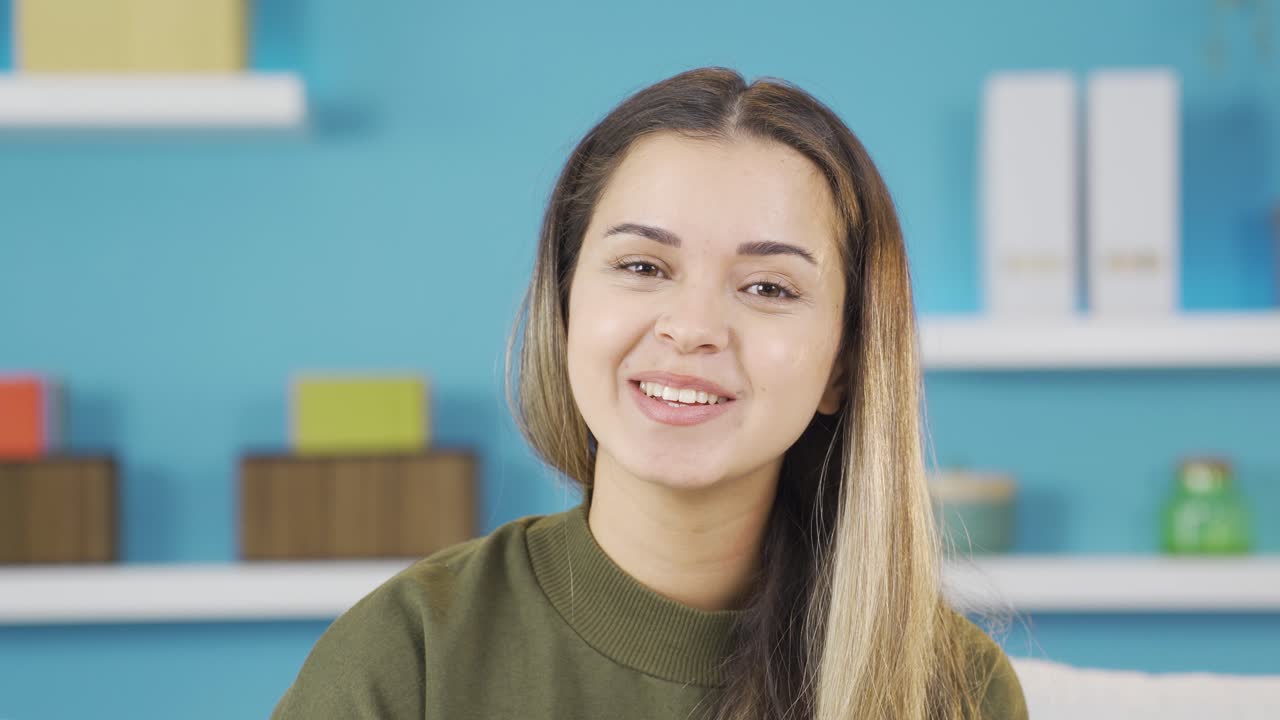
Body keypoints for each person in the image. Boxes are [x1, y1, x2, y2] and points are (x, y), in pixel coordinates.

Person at [272, 66, 1028, 720]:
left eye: (768, 285)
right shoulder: (410, 654)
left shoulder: (952, 689)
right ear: (565, 305)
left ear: (842, 363)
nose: (693, 328)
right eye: (642, 267)